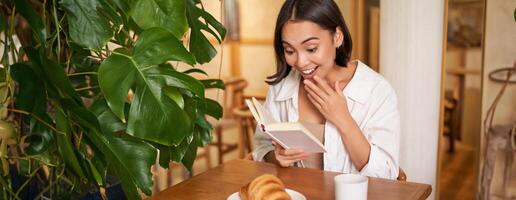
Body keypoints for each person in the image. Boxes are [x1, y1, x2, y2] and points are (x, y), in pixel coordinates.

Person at [252, 0, 400, 179]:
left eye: (311, 49)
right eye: (290, 51)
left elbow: (386, 175)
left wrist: (344, 120)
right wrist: (276, 158)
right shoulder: (281, 88)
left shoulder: (377, 91)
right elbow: (262, 147)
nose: (301, 62)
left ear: (337, 37)